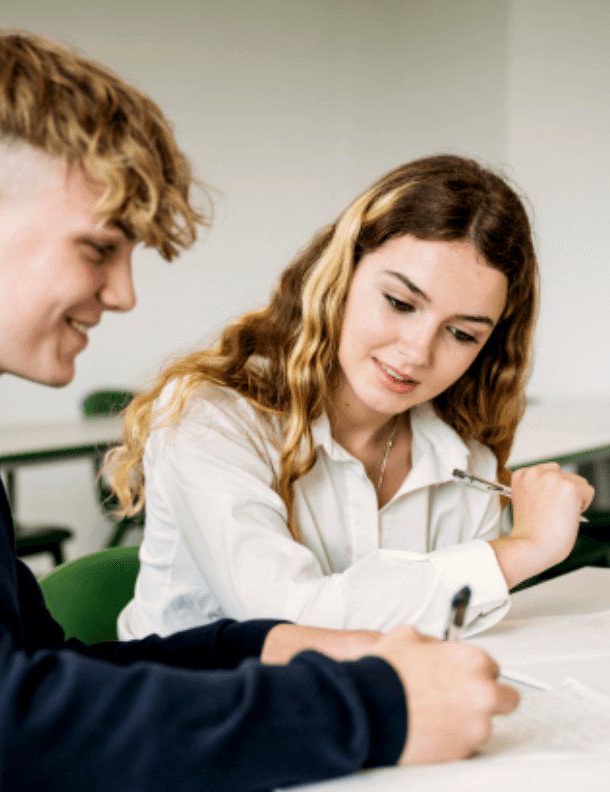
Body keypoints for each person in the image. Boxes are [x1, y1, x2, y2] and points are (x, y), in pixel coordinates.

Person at [0, 26, 519, 792]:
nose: (123, 294)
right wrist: (373, 707)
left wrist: (270, 646)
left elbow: (46, 673)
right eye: (98, 248)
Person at [110, 154, 595, 643]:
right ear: (339, 276)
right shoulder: (213, 418)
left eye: (461, 334)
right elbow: (286, 623)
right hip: (194, 707)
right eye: (400, 303)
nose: (417, 352)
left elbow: (447, 640)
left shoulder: (465, 462)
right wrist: (525, 548)